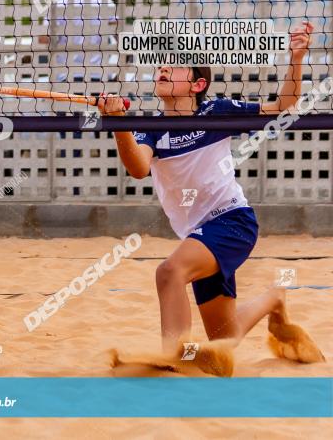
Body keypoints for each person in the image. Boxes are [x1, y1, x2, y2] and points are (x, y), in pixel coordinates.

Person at [98, 21, 325, 374]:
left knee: (169, 272)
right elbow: (138, 168)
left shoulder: (217, 111)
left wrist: (296, 58)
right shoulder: (149, 129)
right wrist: (118, 124)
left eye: (173, 66)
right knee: (224, 347)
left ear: (198, 83)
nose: (162, 68)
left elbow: (285, 105)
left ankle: (173, 358)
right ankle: (273, 300)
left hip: (232, 221)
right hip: (198, 236)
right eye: (160, 65)